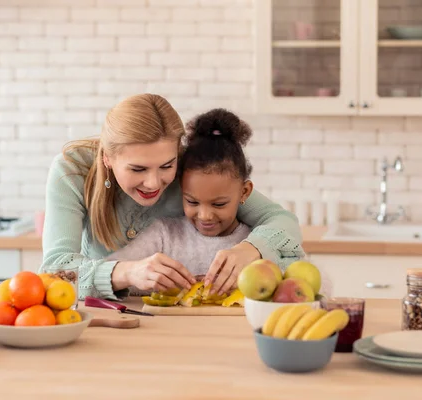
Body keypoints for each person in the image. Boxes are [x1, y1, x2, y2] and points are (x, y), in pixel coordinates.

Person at [40, 93, 305, 301]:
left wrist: (249, 249)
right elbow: (54, 272)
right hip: (102, 317)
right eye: (138, 169)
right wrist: (127, 272)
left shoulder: (191, 168)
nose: (154, 183)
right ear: (107, 158)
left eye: (167, 166)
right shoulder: (73, 170)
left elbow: (281, 220)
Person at [105, 108, 298, 296]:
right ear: (180, 188)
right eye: (192, 201)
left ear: (244, 192)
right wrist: (138, 277)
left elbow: (314, 283)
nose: (204, 215)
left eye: (219, 204)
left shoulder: (254, 243)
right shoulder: (163, 235)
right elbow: (111, 271)